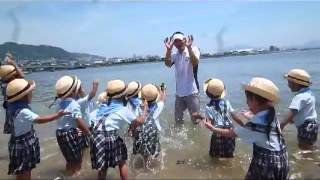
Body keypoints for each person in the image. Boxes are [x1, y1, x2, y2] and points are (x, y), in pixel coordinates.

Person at [194, 77, 289, 180]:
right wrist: (246, 120)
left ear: (255, 100)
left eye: (248, 99)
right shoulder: (271, 115)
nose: (247, 103)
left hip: (266, 163)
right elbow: (236, 117)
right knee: (229, 155)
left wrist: (212, 128)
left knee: (215, 157)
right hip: (283, 159)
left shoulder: (255, 124)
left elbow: (231, 133)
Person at [6, 78, 68, 180]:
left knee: (20, 170)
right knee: (26, 170)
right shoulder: (23, 111)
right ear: (24, 97)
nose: (32, 94)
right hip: (24, 143)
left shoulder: (12, 107)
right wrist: (57, 115)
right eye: (30, 93)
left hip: (16, 142)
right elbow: (40, 120)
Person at [90, 80, 146, 180]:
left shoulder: (102, 106)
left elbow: (90, 120)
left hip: (96, 137)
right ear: (123, 95)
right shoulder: (123, 110)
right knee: (122, 162)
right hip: (110, 137)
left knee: (103, 168)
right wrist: (145, 109)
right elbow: (140, 121)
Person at [54, 75, 90, 176]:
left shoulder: (59, 103)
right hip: (70, 134)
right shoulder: (74, 104)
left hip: (60, 133)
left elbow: (64, 120)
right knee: (78, 161)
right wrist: (88, 132)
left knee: (69, 160)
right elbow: (79, 121)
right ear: (74, 91)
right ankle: (76, 176)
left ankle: (67, 174)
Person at [193, 78, 236, 158]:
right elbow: (233, 115)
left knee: (215, 157)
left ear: (208, 94)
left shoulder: (209, 107)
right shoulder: (227, 102)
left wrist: (200, 116)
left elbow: (211, 123)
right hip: (229, 131)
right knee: (229, 155)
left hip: (218, 133)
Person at [164, 31, 201, 124]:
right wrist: (168, 50)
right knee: (178, 120)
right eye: (175, 41)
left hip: (192, 91)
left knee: (196, 121)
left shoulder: (194, 49)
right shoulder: (174, 55)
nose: (178, 43)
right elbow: (167, 64)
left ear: (184, 40)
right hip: (179, 93)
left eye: (180, 40)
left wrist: (189, 48)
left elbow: (195, 62)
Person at [281, 69, 318, 150]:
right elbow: (306, 111)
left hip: (305, 127)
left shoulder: (299, 97)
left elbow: (292, 112)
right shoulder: (309, 94)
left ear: (295, 84)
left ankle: (308, 160)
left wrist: (281, 125)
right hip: (313, 125)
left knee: (303, 146)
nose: (288, 85)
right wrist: (293, 120)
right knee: (309, 144)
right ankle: (315, 155)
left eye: (289, 82)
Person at [131, 84, 165, 167]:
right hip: (152, 132)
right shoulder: (158, 106)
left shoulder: (138, 107)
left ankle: (144, 164)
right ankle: (158, 165)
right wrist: (162, 90)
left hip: (140, 131)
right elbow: (163, 99)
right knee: (156, 150)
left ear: (142, 98)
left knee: (142, 152)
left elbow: (134, 121)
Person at [0, 53, 25, 134]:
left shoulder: (4, 81)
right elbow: (22, 76)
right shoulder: (11, 84)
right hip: (15, 108)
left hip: (9, 108)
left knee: (14, 131)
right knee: (19, 130)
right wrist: (14, 64)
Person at [75, 79, 99, 148]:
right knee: (87, 146)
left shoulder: (80, 101)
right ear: (78, 92)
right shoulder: (80, 102)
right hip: (84, 128)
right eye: (82, 88)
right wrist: (95, 84)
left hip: (83, 127)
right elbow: (93, 94)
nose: (84, 90)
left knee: (87, 147)